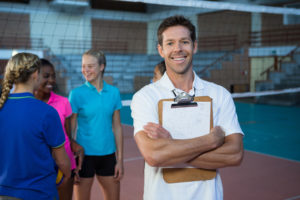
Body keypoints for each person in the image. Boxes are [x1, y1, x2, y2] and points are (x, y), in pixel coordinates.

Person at [131, 15, 244, 200]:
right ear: (160, 50)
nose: (178, 49)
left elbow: (235, 155)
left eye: (184, 41)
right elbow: (154, 155)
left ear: (195, 46)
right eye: (170, 43)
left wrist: (171, 145)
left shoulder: (220, 95)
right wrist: (210, 141)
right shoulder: (145, 97)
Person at [0, 53, 71, 200]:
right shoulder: (47, 112)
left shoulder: (2, 107)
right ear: (35, 74)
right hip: (39, 192)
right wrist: (67, 174)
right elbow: (62, 161)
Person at [69, 49, 124, 200]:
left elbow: (118, 128)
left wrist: (120, 160)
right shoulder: (76, 94)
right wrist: (71, 162)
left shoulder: (113, 92)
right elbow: (71, 130)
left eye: (90, 66)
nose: (86, 70)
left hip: (108, 155)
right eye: (83, 66)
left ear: (102, 67)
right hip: (83, 157)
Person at [34, 59, 84, 200]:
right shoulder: (28, 103)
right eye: (46, 76)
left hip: (64, 166)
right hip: (39, 166)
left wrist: (78, 148)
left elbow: (67, 135)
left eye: (53, 76)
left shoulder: (63, 102)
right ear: (34, 77)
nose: (51, 80)